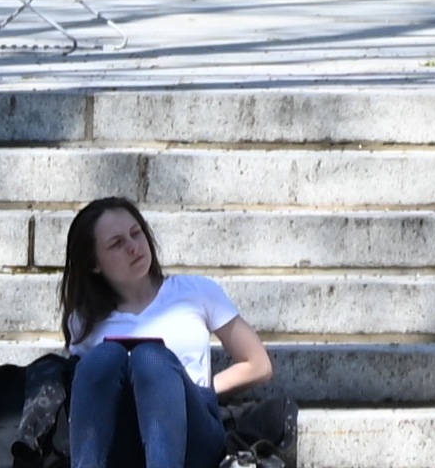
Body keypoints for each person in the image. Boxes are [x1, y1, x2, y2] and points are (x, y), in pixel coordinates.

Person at [53, 193, 275, 468]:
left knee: (151, 358)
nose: (134, 247)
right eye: (117, 244)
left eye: (137, 233)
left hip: (191, 434)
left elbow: (258, 364)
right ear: (93, 263)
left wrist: (196, 390)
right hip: (122, 438)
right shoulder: (85, 320)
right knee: (103, 356)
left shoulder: (196, 292)